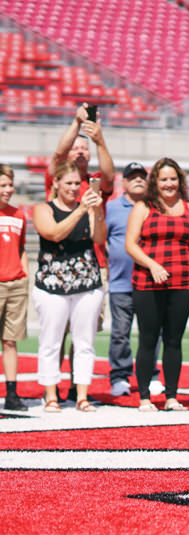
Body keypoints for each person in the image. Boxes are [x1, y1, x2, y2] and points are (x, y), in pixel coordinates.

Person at [46, 103, 114, 401]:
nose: (80, 151)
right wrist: (75, 124)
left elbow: (110, 176)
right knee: (58, 330)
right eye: (77, 147)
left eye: (85, 149)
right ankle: (54, 385)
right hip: (61, 262)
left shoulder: (94, 183)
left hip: (95, 262)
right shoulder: (60, 181)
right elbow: (58, 157)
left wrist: (99, 140)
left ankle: (77, 385)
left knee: (84, 331)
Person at [126, 158, 189, 411]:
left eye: (173, 179)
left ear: (180, 181)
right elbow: (130, 244)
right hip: (147, 283)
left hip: (182, 282)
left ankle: (171, 396)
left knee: (174, 340)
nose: (169, 184)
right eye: (164, 180)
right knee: (148, 339)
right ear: (155, 183)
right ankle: (145, 398)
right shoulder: (143, 207)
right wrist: (152, 265)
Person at [32, 161, 106, 413]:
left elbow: (99, 238)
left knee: (85, 341)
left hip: (87, 283)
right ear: (56, 184)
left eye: (77, 183)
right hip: (52, 284)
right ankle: (51, 394)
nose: (74, 188)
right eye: (69, 183)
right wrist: (80, 210)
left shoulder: (87, 209)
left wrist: (96, 212)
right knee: (51, 340)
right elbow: (53, 233)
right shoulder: (44, 209)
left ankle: (82, 395)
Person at [105, 162, 164, 397]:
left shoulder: (156, 207)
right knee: (120, 332)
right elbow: (101, 238)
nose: (138, 180)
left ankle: (150, 375)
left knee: (151, 331)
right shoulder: (111, 208)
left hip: (150, 281)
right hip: (121, 282)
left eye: (142, 177)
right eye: (133, 177)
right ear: (124, 182)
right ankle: (119, 376)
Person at [0, 165, 29, 411]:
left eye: (10, 185)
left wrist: (24, 276)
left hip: (15, 284)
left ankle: (11, 394)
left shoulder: (18, 214)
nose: (8, 190)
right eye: (3, 185)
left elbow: (20, 249)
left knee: (10, 341)